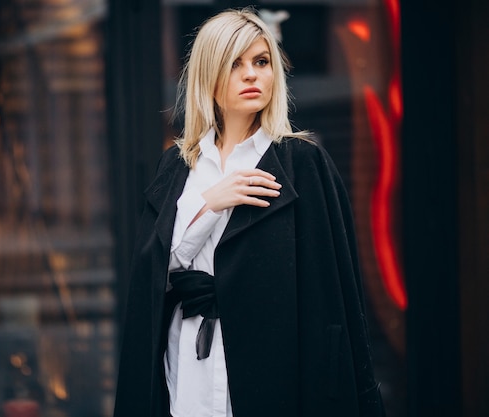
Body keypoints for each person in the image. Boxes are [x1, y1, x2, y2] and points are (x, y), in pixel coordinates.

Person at [113, 8, 385, 417]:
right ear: (209, 76)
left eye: (261, 62)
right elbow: (154, 278)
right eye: (235, 63)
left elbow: (334, 291)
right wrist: (209, 205)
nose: (252, 74)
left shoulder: (300, 163)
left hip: (274, 372)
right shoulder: (176, 168)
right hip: (187, 366)